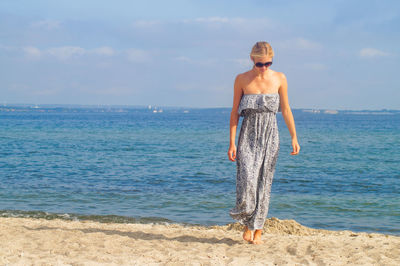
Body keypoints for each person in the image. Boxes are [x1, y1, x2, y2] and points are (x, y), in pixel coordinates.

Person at [227, 41, 300, 245]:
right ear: (252, 59)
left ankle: (257, 228)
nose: (264, 68)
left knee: (264, 183)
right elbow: (234, 113)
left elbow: (285, 109)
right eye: (260, 64)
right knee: (247, 179)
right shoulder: (241, 79)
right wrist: (231, 143)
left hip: (270, 134)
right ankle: (247, 220)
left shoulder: (280, 78)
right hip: (247, 134)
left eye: (268, 63)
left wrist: (294, 136)